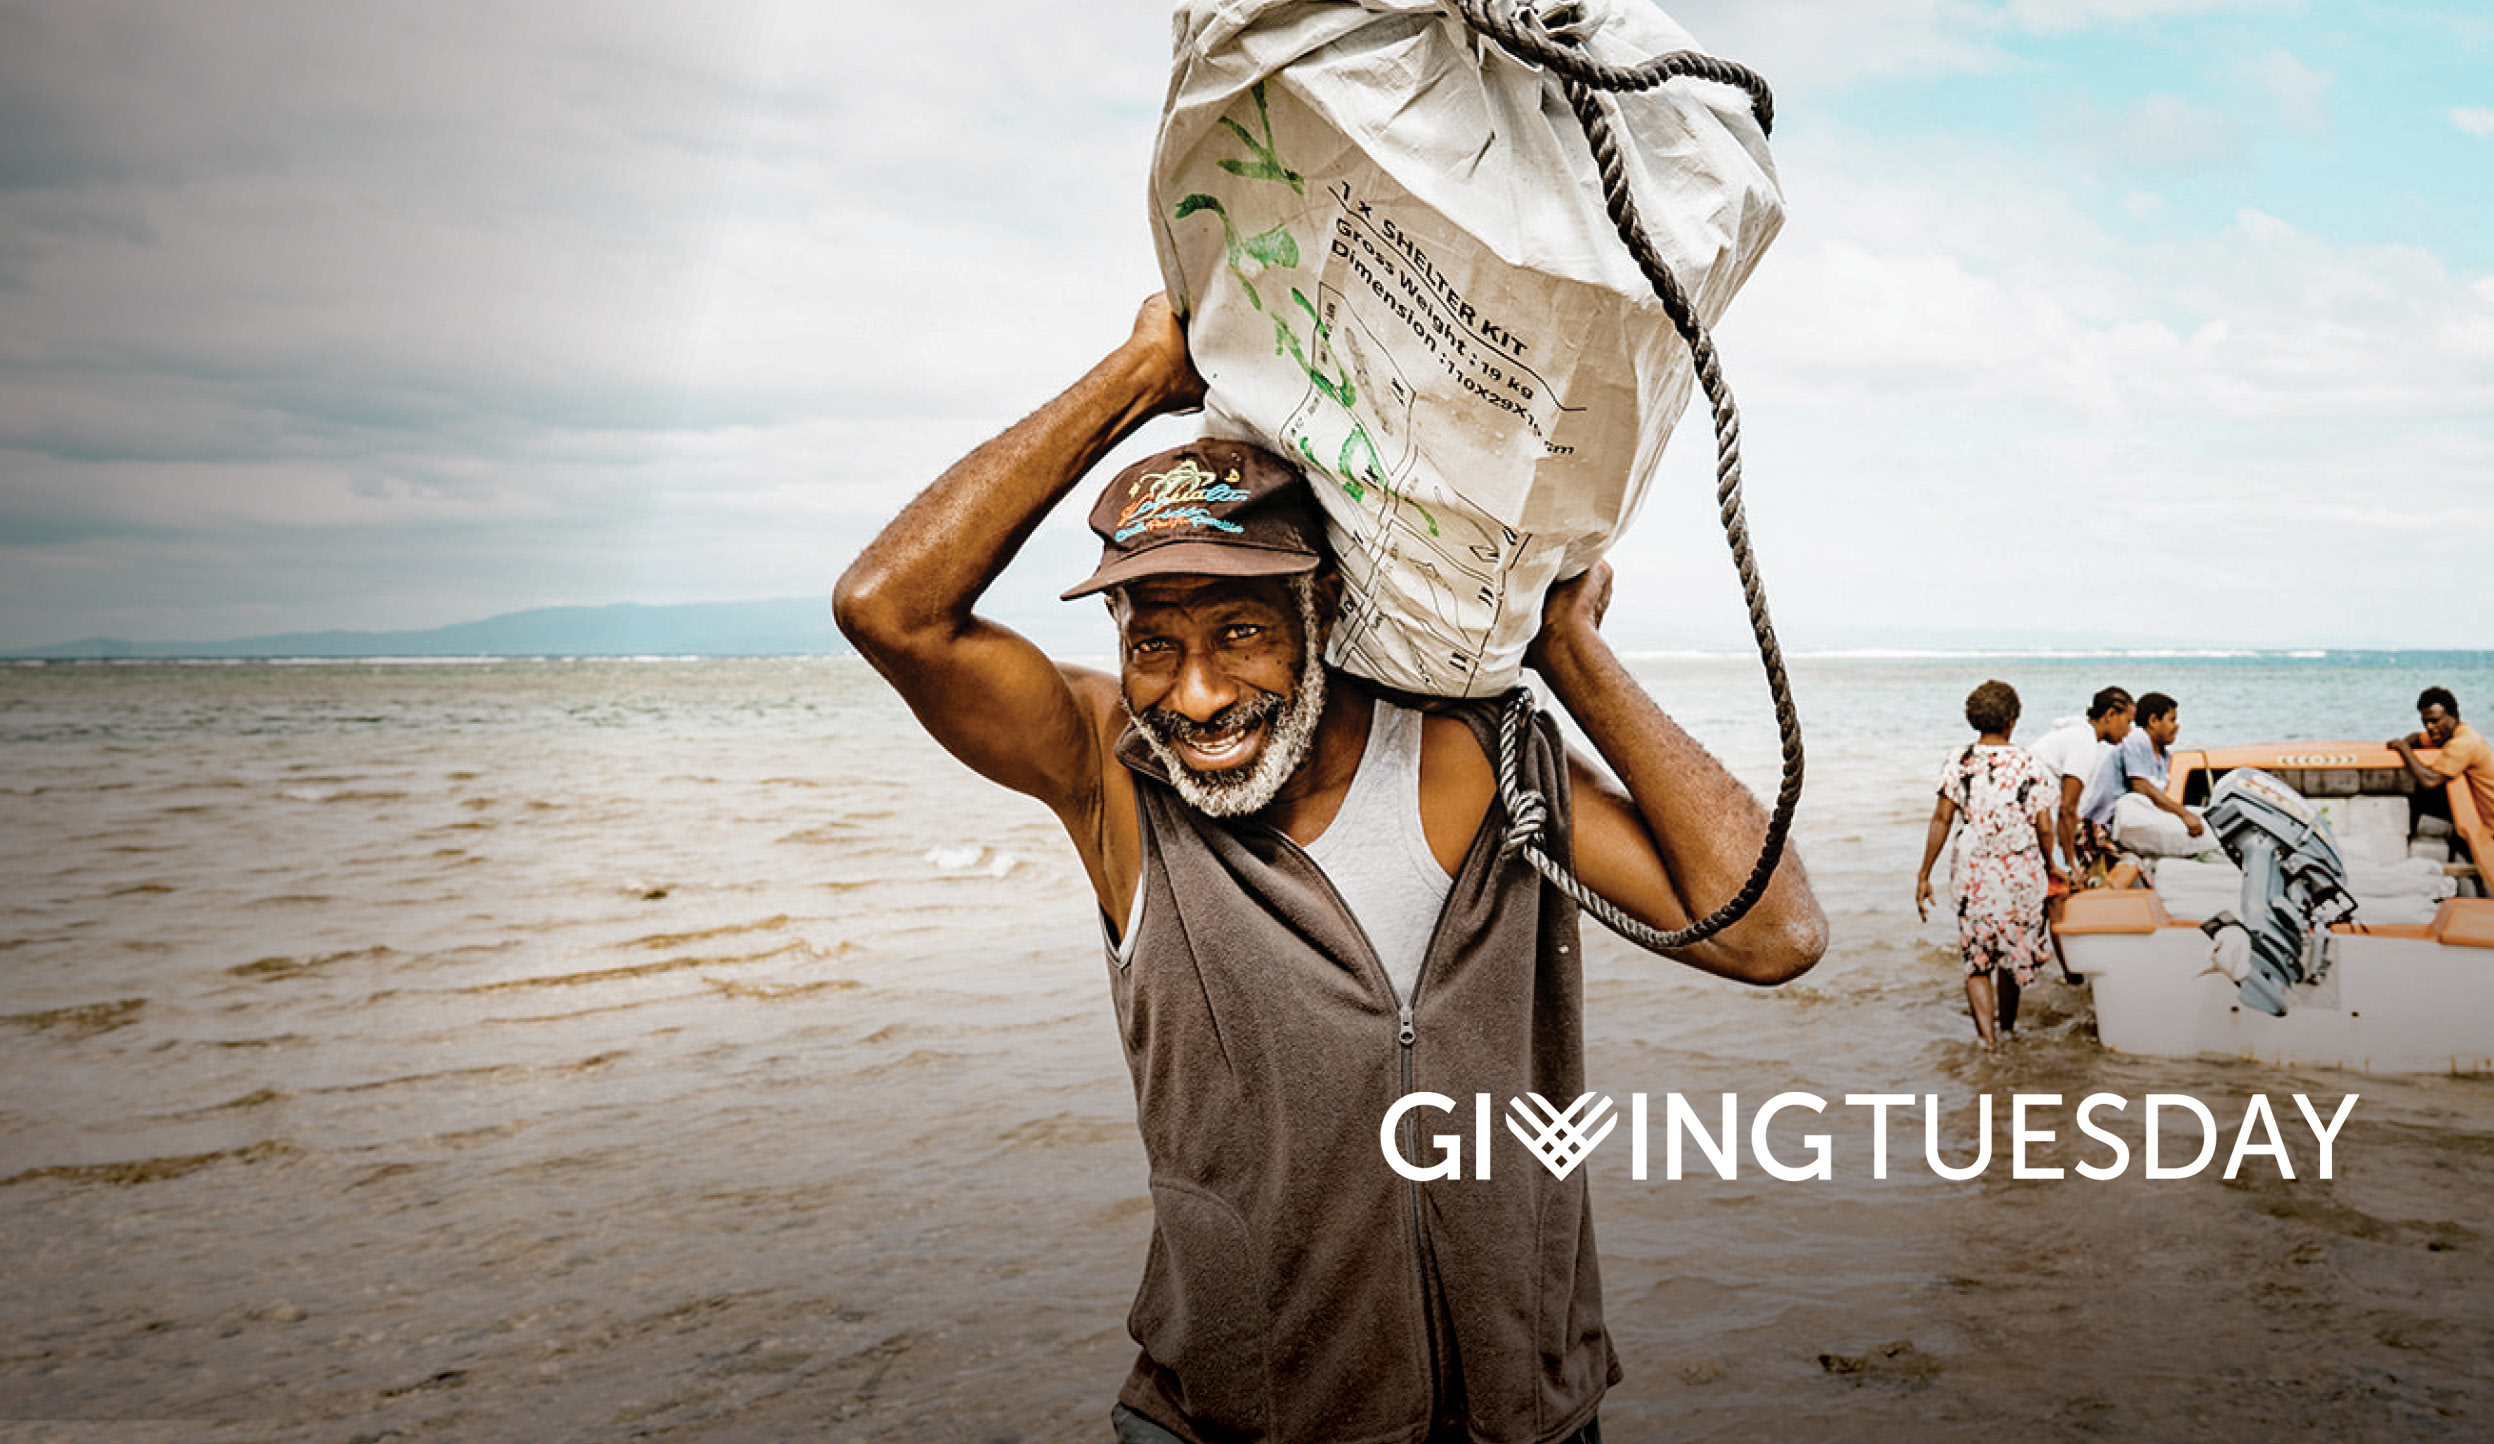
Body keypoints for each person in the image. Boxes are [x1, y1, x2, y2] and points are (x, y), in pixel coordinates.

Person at [832, 296, 1827, 1444]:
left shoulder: (1475, 763)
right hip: (1235, 1421)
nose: (1192, 696)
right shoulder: (1110, 773)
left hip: (1522, 1415)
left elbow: (1772, 932)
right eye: (1151, 642)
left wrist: (1567, 649)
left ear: (1323, 608)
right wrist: (1142, 373)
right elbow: (887, 609)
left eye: (1238, 631)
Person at [1914, 680, 2060, 1047]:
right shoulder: (2029, 762)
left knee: (1977, 959)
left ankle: (1988, 1042)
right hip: (2020, 873)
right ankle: (2009, 1029)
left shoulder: (1959, 761)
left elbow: (1942, 819)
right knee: (2012, 953)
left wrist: (1924, 873)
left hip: (1973, 873)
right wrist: (2052, 864)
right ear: (2012, 718)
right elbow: (2044, 825)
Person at [2077, 691, 2205, 859]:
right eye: (2172, 720)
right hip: (2101, 825)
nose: (2177, 726)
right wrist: (2184, 815)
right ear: (2153, 721)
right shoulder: (2137, 738)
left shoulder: (2165, 757)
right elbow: (2141, 787)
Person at [2028, 687, 2133, 884]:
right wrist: (2070, 865)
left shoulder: (2074, 734)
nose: (2129, 731)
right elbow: (2066, 808)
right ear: (2110, 715)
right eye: (2128, 722)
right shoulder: (2083, 741)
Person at [2388, 687, 2494, 853]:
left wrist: (2403, 749)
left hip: (2489, 821)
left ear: (2453, 717)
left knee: (2421, 792)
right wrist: (2406, 742)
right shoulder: (2448, 735)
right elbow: (2417, 737)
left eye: (2435, 721)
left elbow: (2430, 781)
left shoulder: (2465, 742)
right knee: (2418, 795)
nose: (2429, 727)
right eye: (2425, 722)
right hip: (2476, 810)